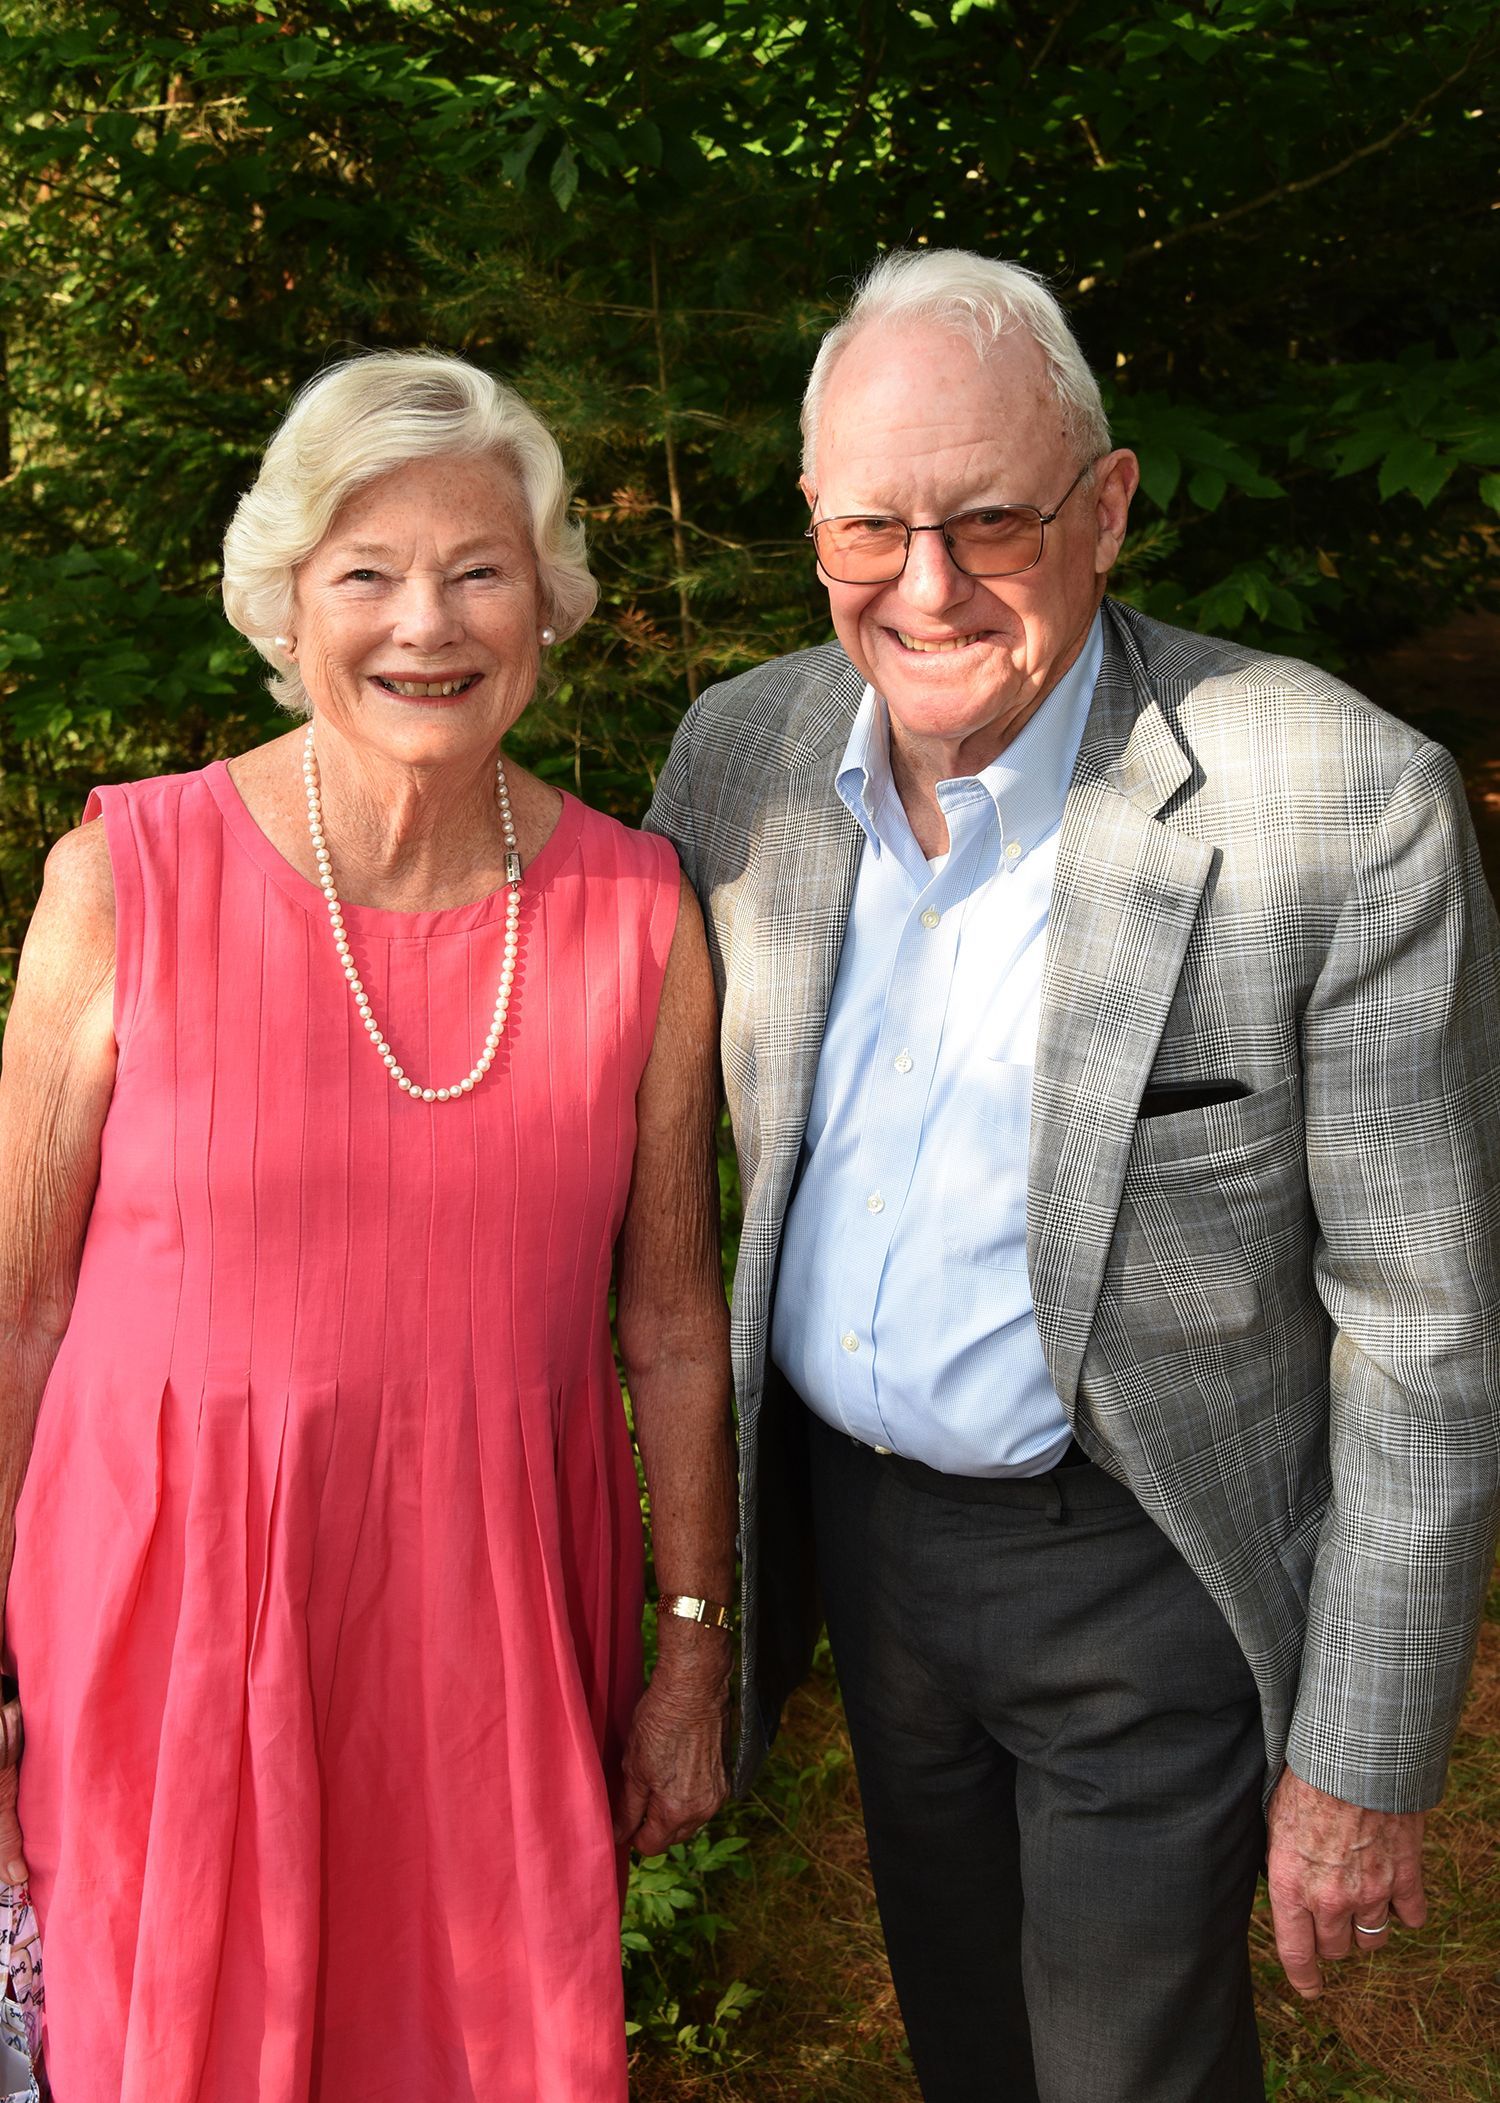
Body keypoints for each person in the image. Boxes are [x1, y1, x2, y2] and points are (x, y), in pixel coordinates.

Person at [645, 249, 1500, 2102]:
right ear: (813, 527)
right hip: (858, 1549)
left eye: (993, 519)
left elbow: (1426, 1332)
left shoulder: (1340, 805)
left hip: (1137, 1565)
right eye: (873, 525)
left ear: (1106, 510)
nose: (928, 585)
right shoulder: (741, 760)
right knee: (969, 2041)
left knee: (1127, 2071)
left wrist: (1359, 1756)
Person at [0, 350, 736, 2102]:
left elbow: (675, 1325)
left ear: (547, 598)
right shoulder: (125, 883)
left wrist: (691, 1648)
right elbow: (14, 1311)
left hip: (492, 1648)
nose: (429, 622)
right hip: (165, 1647)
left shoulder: (639, 913)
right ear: (285, 601)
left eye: (480, 568)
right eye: (367, 573)